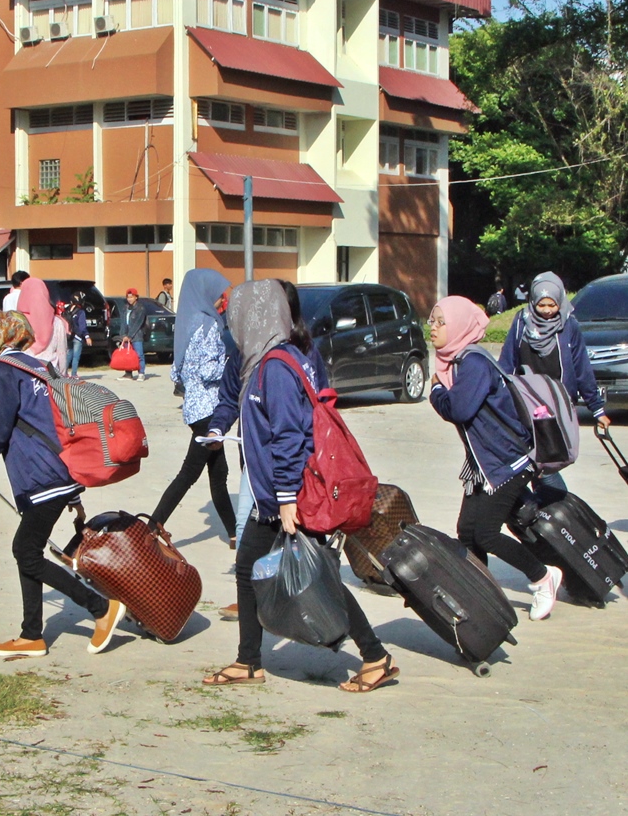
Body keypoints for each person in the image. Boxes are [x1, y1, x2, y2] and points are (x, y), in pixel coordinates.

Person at [204, 280, 398, 692]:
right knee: (249, 567)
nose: (232, 322)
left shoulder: (274, 366)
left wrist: (287, 499)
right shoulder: (263, 360)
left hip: (287, 494)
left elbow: (289, 435)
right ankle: (249, 660)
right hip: (275, 492)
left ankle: (375, 655)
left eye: (237, 313)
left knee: (317, 574)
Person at [0, 309, 124, 658]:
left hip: (40, 476)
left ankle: (100, 607)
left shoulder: (1, 371)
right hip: (62, 468)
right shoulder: (37, 366)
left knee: (25, 551)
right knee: (29, 550)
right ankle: (31, 635)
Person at [428, 295, 563, 621]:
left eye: (439, 321)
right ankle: (482, 594)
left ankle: (543, 577)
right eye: (431, 320)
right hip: (485, 463)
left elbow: (458, 409)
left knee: (485, 533)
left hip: (507, 462)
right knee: (467, 531)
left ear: (458, 326)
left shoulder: (473, 363)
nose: (431, 327)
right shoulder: (458, 361)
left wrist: (435, 392)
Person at [206, 279, 324, 618]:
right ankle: (250, 651)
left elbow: (290, 430)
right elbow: (230, 398)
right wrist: (218, 427)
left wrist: (287, 494)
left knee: (309, 553)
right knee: (248, 546)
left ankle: (361, 642)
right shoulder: (247, 355)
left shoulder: (281, 362)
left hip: (286, 470)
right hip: (260, 465)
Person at [147, 270, 236, 543]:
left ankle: (234, 533)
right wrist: (233, 364)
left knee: (218, 473)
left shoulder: (187, 322)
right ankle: (150, 528)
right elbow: (210, 371)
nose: (223, 299)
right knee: (189, 474)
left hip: (195, 409)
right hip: (209, 411)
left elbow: (178, 372)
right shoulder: (209, 325)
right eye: (220, 293)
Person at [499, 271, 610, 455]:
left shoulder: (569, 325)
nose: (547, 310)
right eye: (541, 305)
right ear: (533, 301)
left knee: (551, 458)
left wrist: (597, 409)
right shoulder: (522, 322)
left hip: (559, 402)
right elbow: (507, 361)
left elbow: (581, 368)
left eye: (552, 304)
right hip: (527, 400)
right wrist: (499, 398)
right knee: (533, 458)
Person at [117, 289, 148, 380]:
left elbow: (138, 323)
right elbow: (123, 322)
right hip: (126, 336)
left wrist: (130, 336)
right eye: (128, 297)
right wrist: (123, 335)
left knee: (139, 355)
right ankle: (128, 373)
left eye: (131, 297)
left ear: (136, 297)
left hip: (136, 335)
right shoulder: (125, 308)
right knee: (128, 355)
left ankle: (141, 373)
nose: (129, 299)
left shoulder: (140, 308)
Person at [66, 292, 91, 378]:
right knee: (76, 357)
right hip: (78, 337)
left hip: (68, 335)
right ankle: (74, 374)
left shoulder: (67, 310)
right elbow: (82, 326)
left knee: (68, 354)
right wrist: (87, 336)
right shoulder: (80, 312)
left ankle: (63, 373)